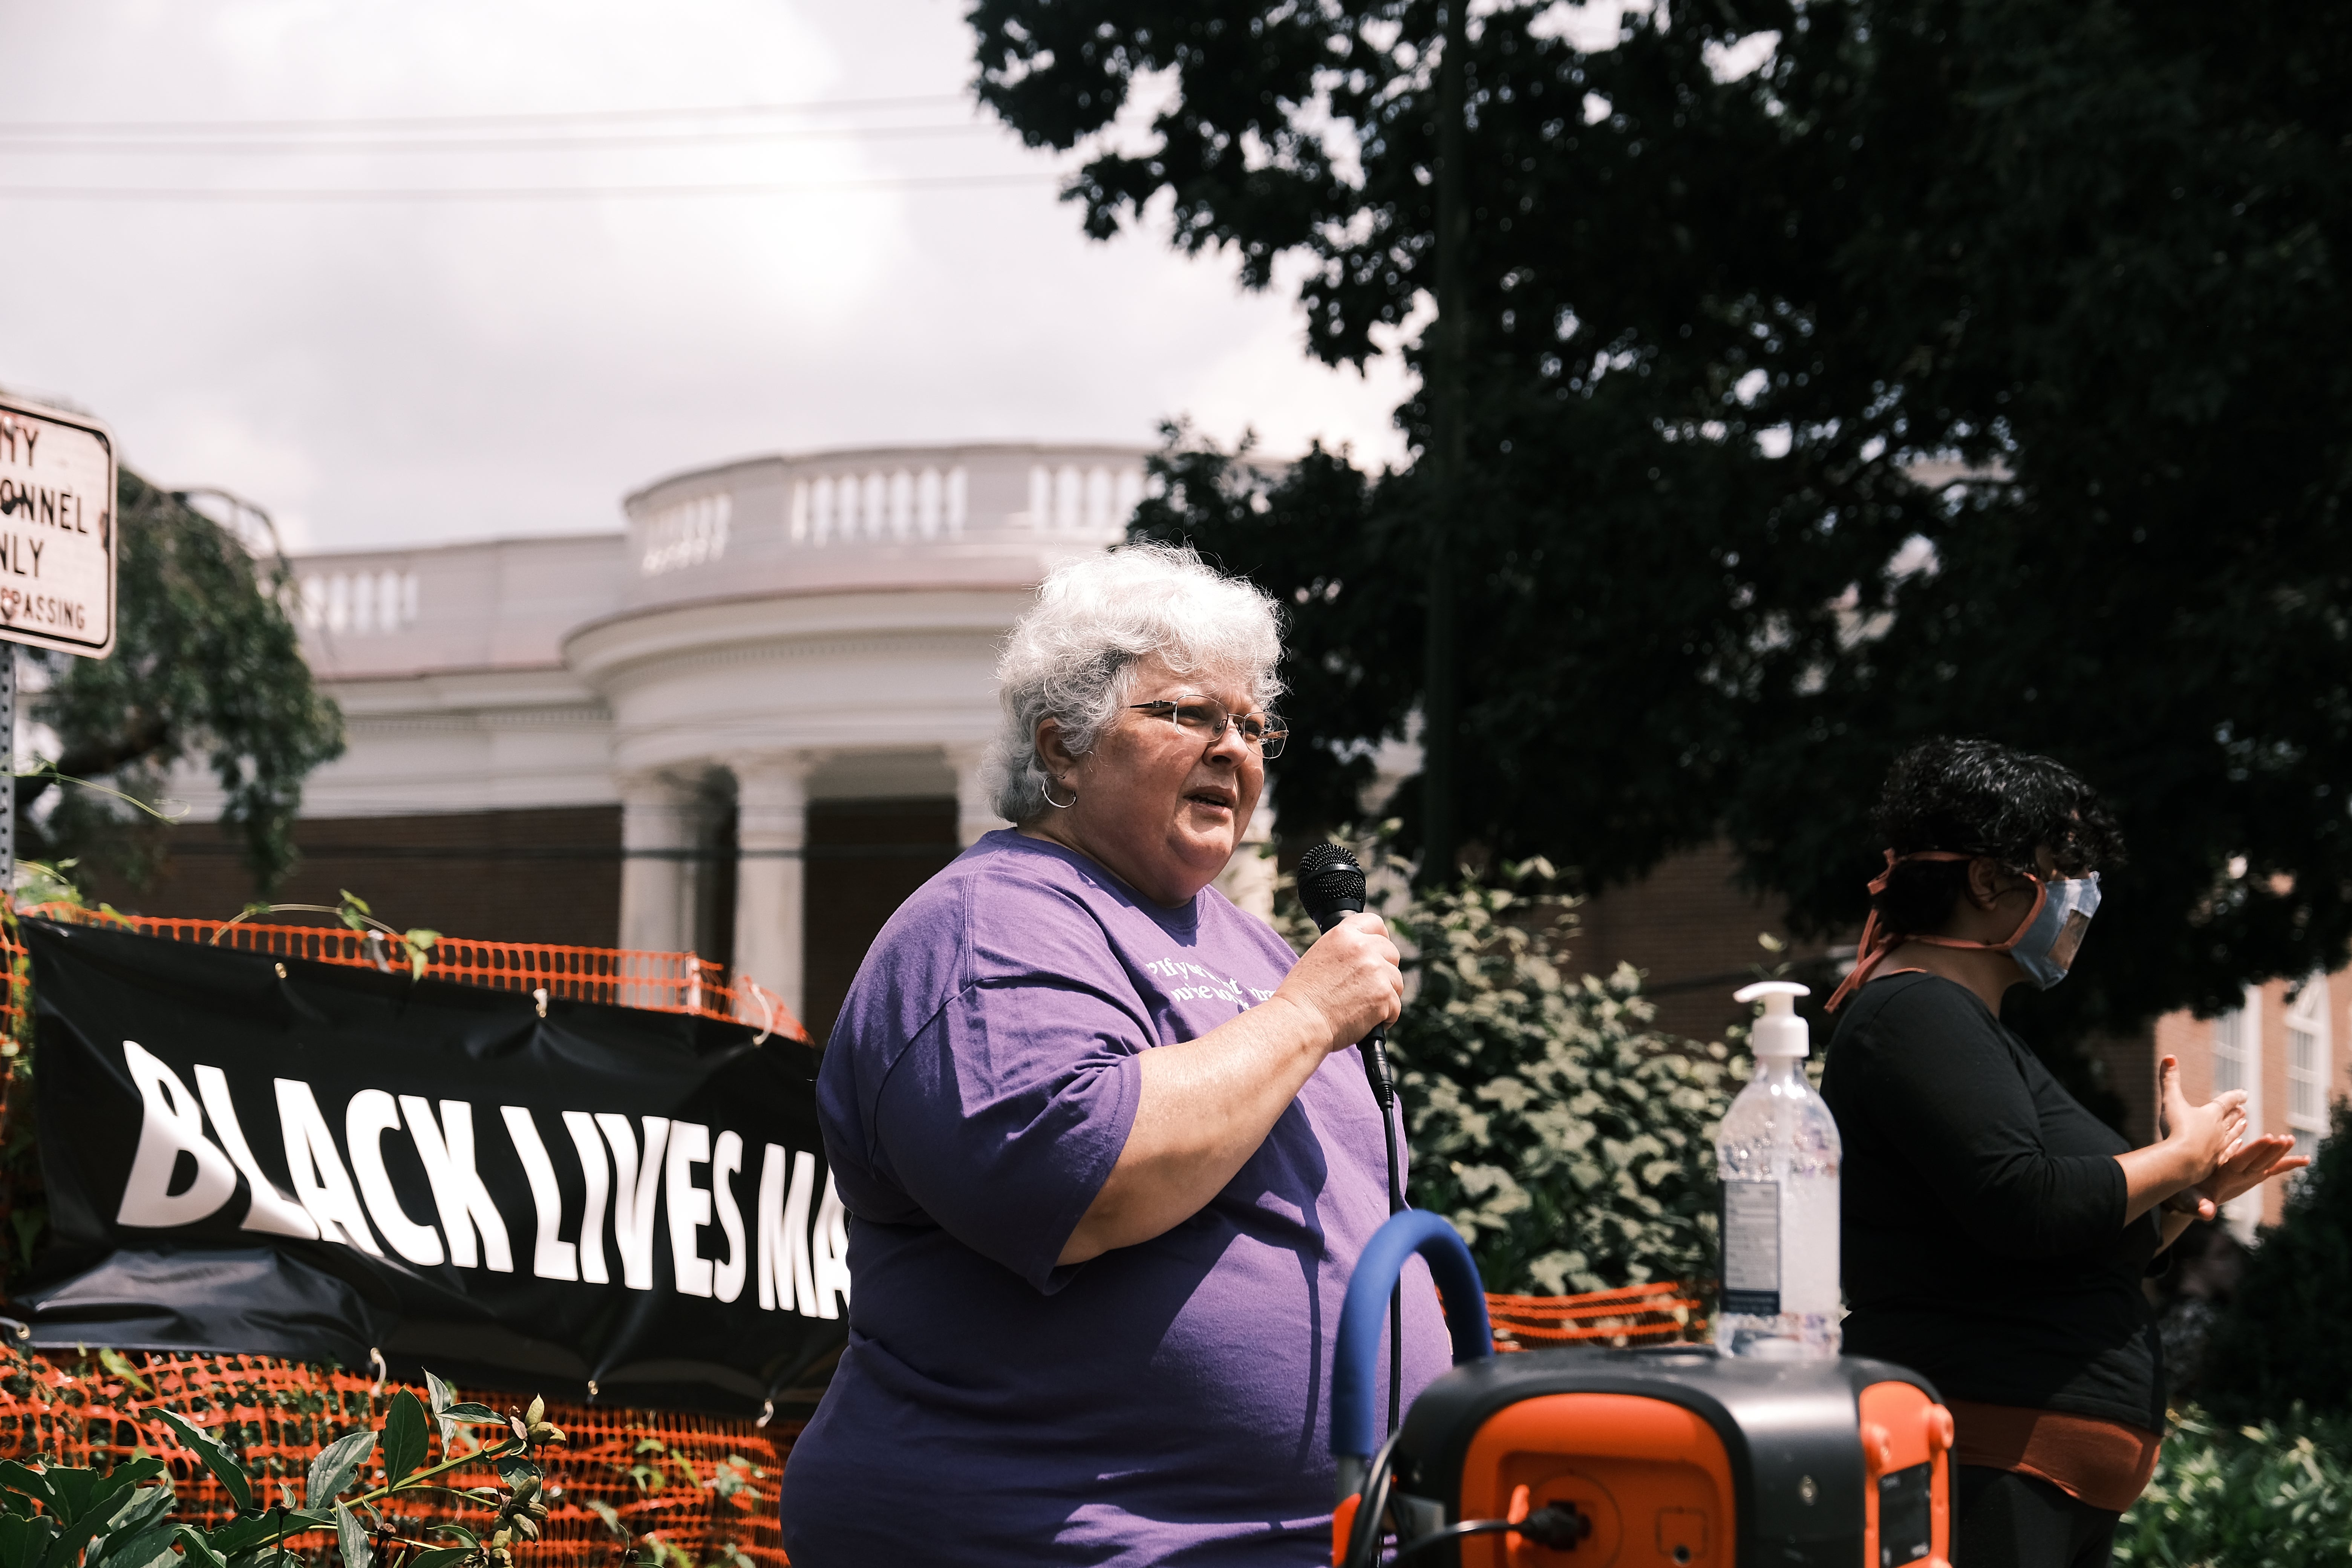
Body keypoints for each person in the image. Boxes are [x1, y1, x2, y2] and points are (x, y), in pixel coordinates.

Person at [779, 543, 1448, 1565]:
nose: (1234, 748)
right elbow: (1083, 1180)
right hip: (1069, 1539)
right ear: (1063, 749)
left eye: (1252, 724)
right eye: (1189, 715)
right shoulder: (989, 923)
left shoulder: (1254, 948)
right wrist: (1308, 1016)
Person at [1821, 738, 2306, 1568]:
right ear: (1987, 879)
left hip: (2040, 1468)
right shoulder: (1915, 1014)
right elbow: (2028, 1201)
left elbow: (2044, 1237)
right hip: (1990, 1455)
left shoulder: (1968, 1030)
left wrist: (2182, 1199)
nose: (2084, 893)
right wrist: (2178, 1161)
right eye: (2062, 863)